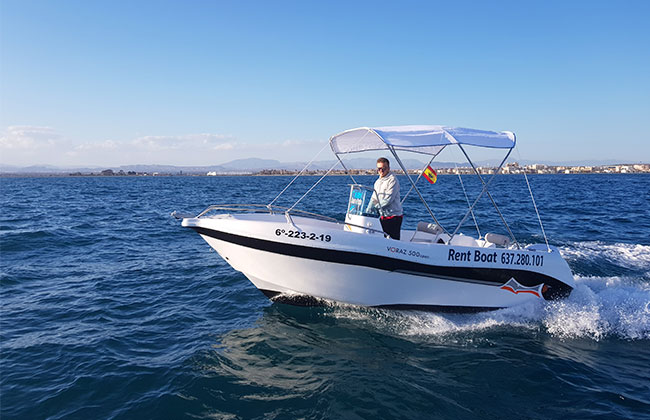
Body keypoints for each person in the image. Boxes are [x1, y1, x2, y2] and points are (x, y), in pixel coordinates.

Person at [368, 157, 403, 240]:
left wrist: (375, 207)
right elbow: (374, 198)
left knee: (393, 242)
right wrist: (368, 210)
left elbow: (388, 199)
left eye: (384, 168)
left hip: (394, 217)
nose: (381, 171)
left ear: (388, 168)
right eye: (379, 169)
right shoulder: (377, 182)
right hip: (383, 216)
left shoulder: (393, 180)